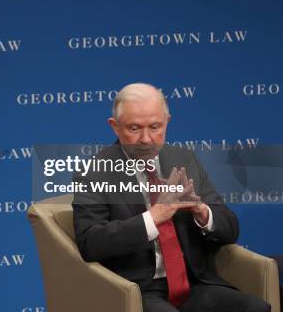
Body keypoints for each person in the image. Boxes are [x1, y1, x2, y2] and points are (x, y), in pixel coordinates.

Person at [72, 82, 270, 312]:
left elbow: (230, 228)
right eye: (134, 128)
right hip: (136, 290)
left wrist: (202, 212)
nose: (146, 139)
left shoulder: (184, 159)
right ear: (115, 127)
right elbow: (91, 243)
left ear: (167, 122)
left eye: (155, 127)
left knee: (254, 308)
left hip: (194, 283)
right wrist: (153, 217)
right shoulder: (94, 172)